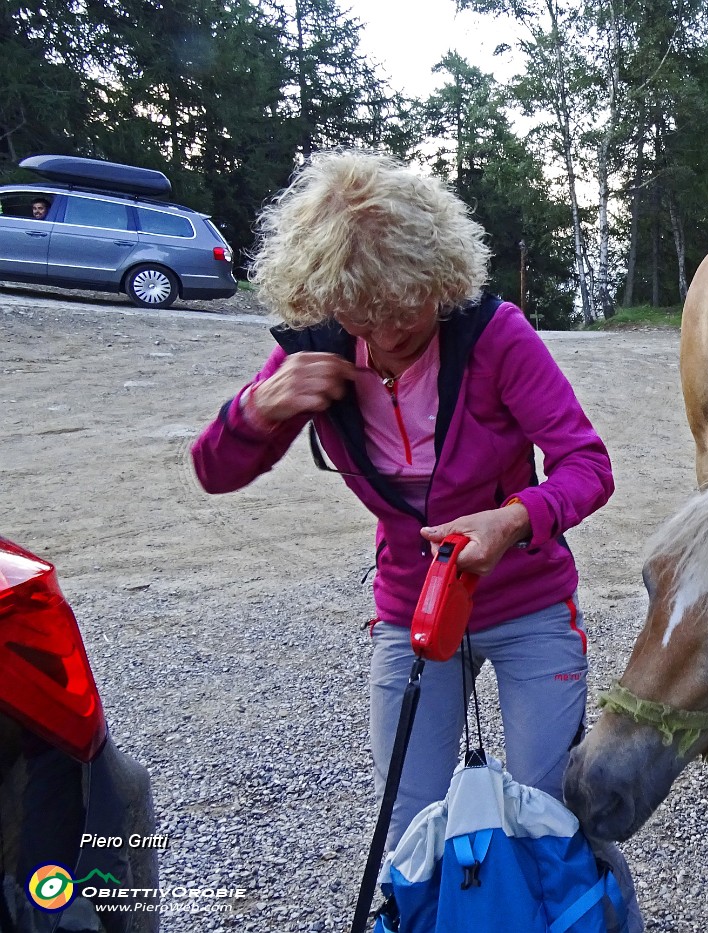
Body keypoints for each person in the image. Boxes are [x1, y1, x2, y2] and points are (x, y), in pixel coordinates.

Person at [189, 151, 615, 853]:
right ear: (328, 296)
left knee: (547, 816)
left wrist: (514, 519)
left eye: (407, 306)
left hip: (528, 603)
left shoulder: (494, 335)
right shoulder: (317, 352)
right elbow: (213, 471)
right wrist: (257, 408)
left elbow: (587, 465)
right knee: (411, 823)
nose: (388, 334)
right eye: (364, 313)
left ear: (440, 276)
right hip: (412, 610)